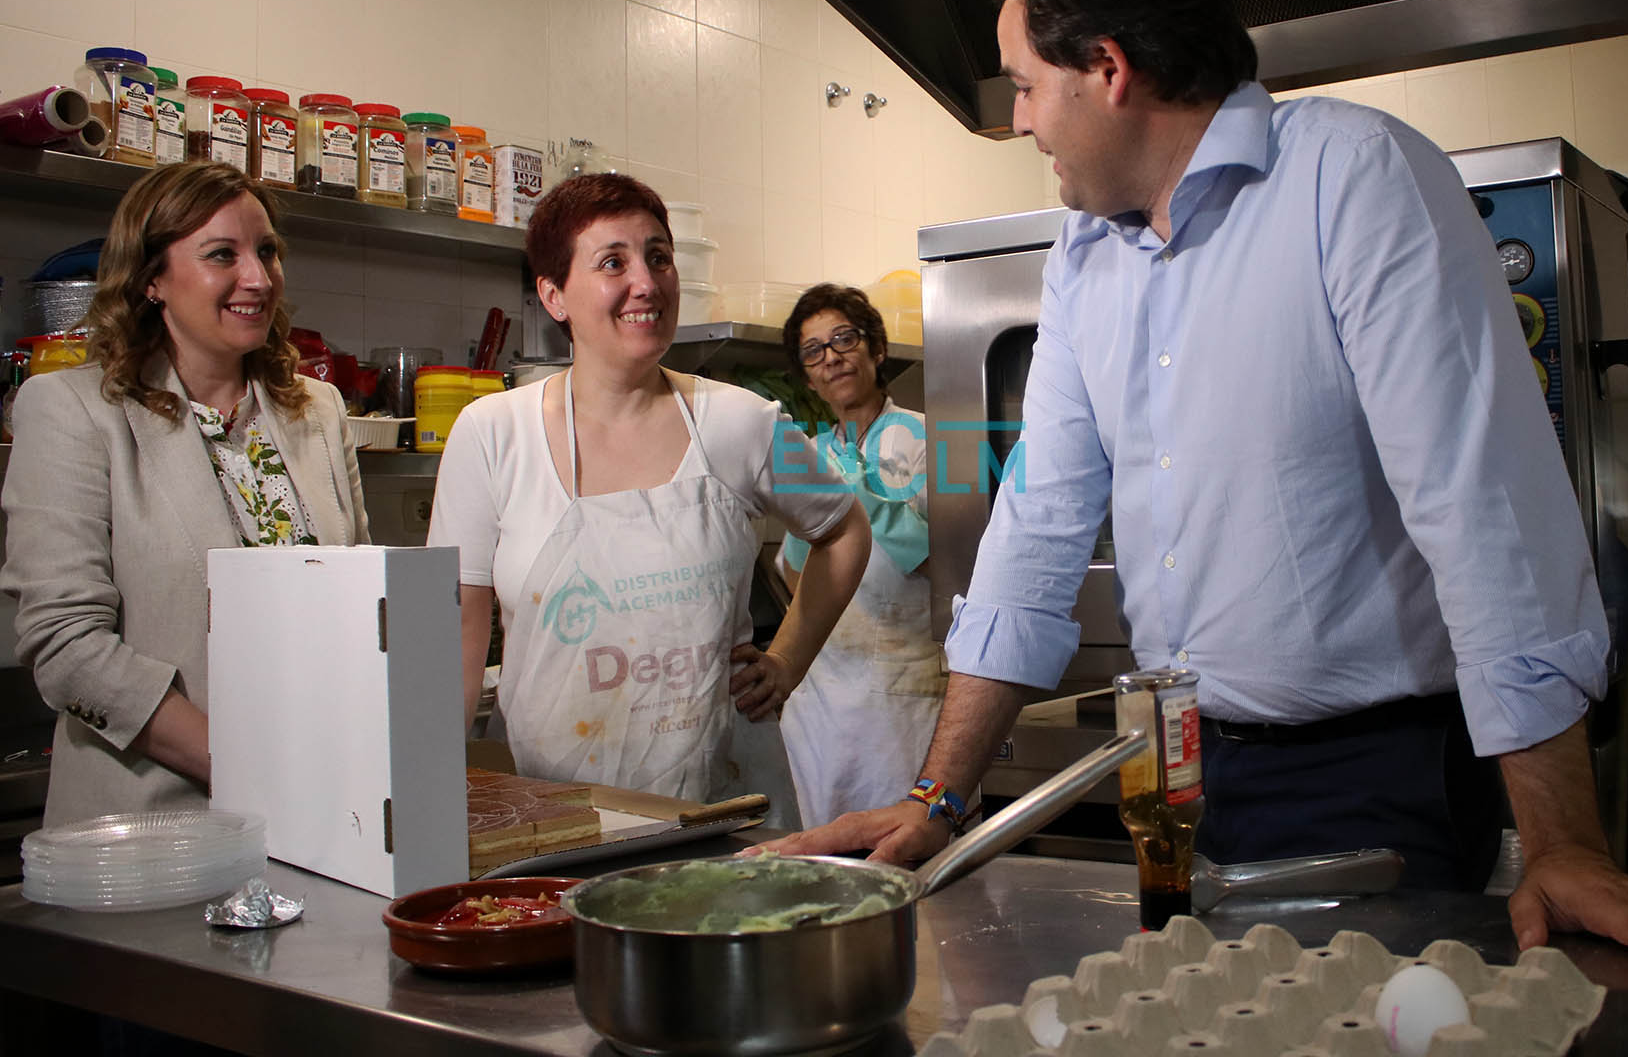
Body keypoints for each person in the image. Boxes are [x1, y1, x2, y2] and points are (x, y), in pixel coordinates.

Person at [767, 0, 1628, 971]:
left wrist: (1566, 844)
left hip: (1368, 773)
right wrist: (936, 797)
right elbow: (1036, 527)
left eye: (1023, 84)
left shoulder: (1354, 178)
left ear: (1107, 68)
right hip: (1178, 769)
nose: (1020, 123)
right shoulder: (1083, 257)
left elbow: (1484, 511)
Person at [428, 174, 870, 829]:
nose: (648, 282)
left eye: (658, 257)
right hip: (560, 816)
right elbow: (455, 634)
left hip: (728, 811)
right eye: (614, 262)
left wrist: (787, 661)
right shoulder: (493, 435)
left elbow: (845, 529)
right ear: (554, 295)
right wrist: (432, 789)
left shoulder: (738, 422)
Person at [1, 161, 371, 827]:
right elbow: (65, 648)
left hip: (328, 819)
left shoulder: (317, 411)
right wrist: (252, 768)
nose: (257, 278)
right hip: (153, 829)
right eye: (222, 255)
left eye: (267, 252)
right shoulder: (72, 410)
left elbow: (365, 607)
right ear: (151, 280)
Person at [776, 284, 946, 827]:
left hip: (903, 694)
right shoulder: (810, 455)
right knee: (819, 859)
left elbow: (948, 567)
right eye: (814, 350)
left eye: (844, 339)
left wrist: (863, 500)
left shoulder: (928, 438)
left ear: (875, 349)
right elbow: (795, 574)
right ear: (807, 377)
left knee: (899, 853)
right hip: (819, 696)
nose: (832, 357)